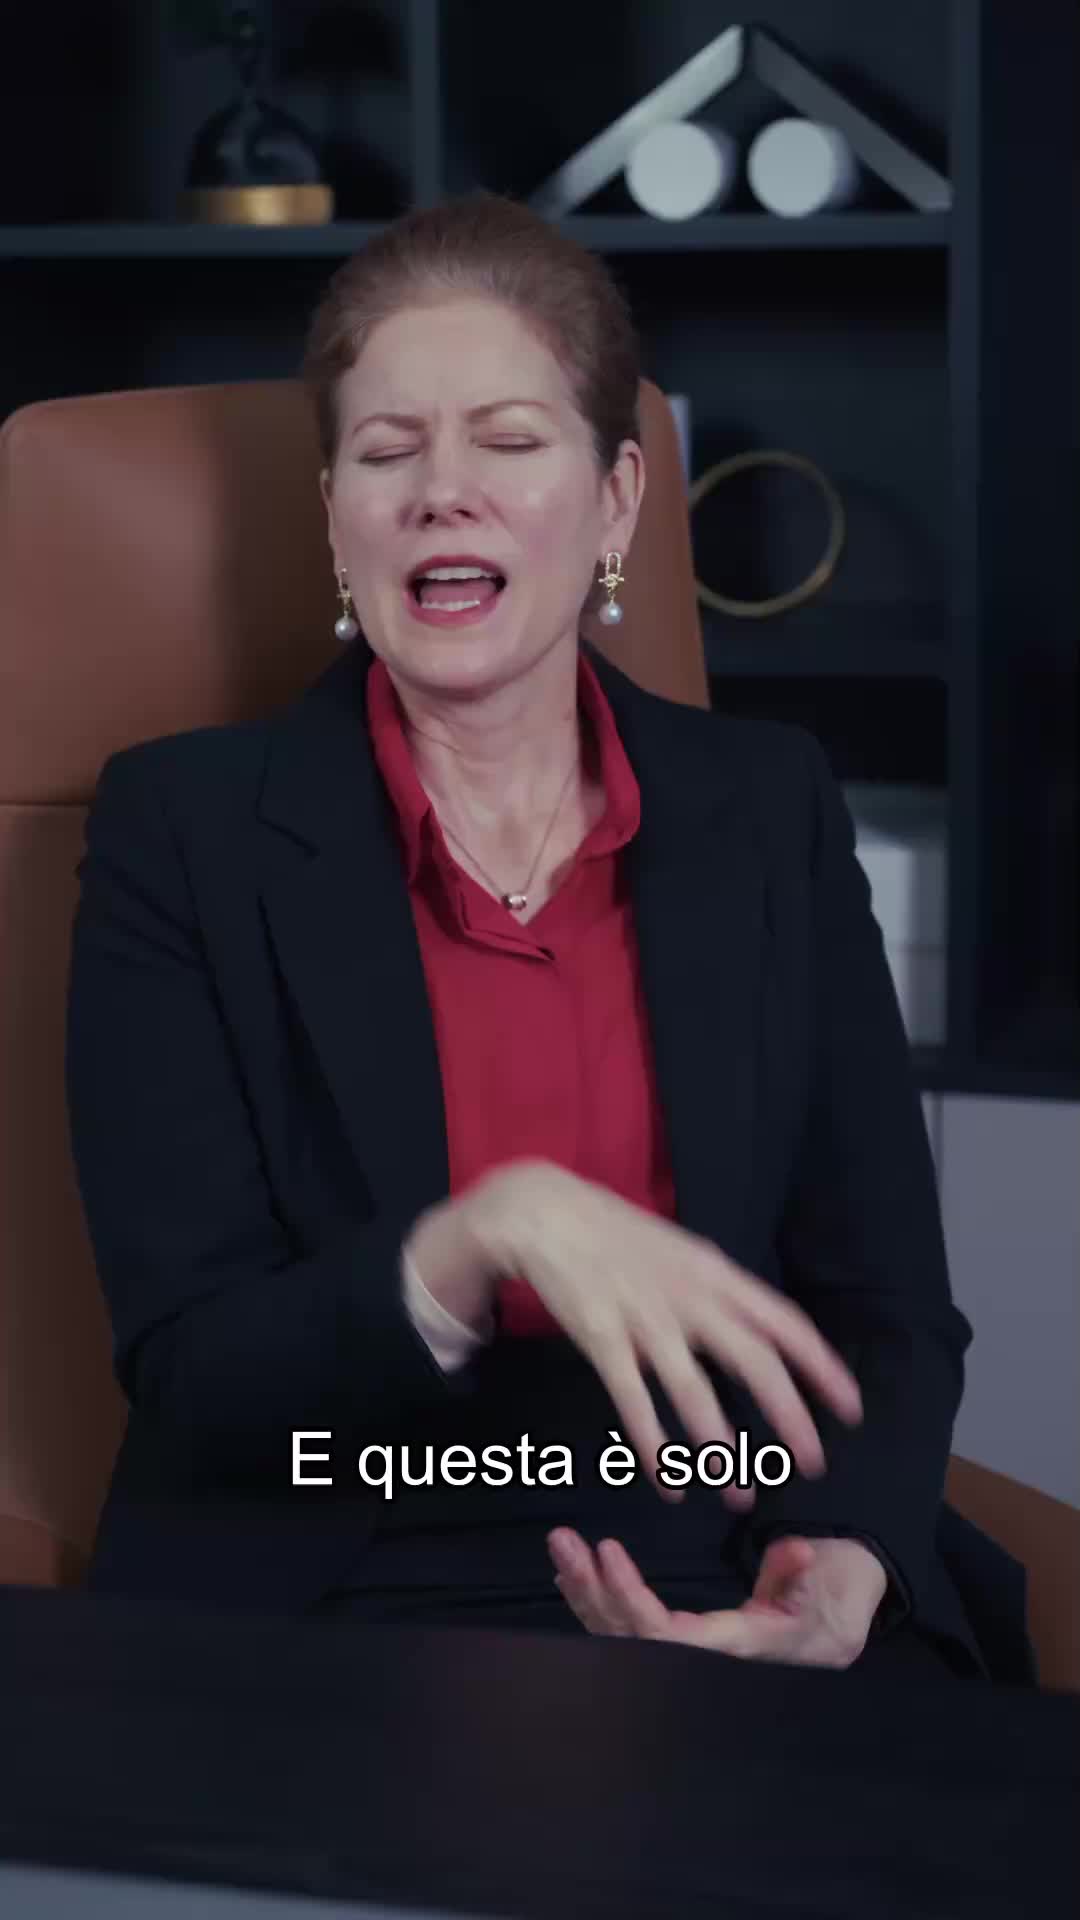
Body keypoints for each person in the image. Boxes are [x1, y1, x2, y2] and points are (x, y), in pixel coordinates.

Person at [66, 191, 986, 1679]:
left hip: (716, 1524)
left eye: (507, 440)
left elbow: (887, 1301)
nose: (445, 492)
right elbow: (192, 1368)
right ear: (336, 516)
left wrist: (841, 1562)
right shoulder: (180, 830)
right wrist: (478, 1235)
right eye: (387, 452)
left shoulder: (770, 805)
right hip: (333, 1559)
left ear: (617, 502)